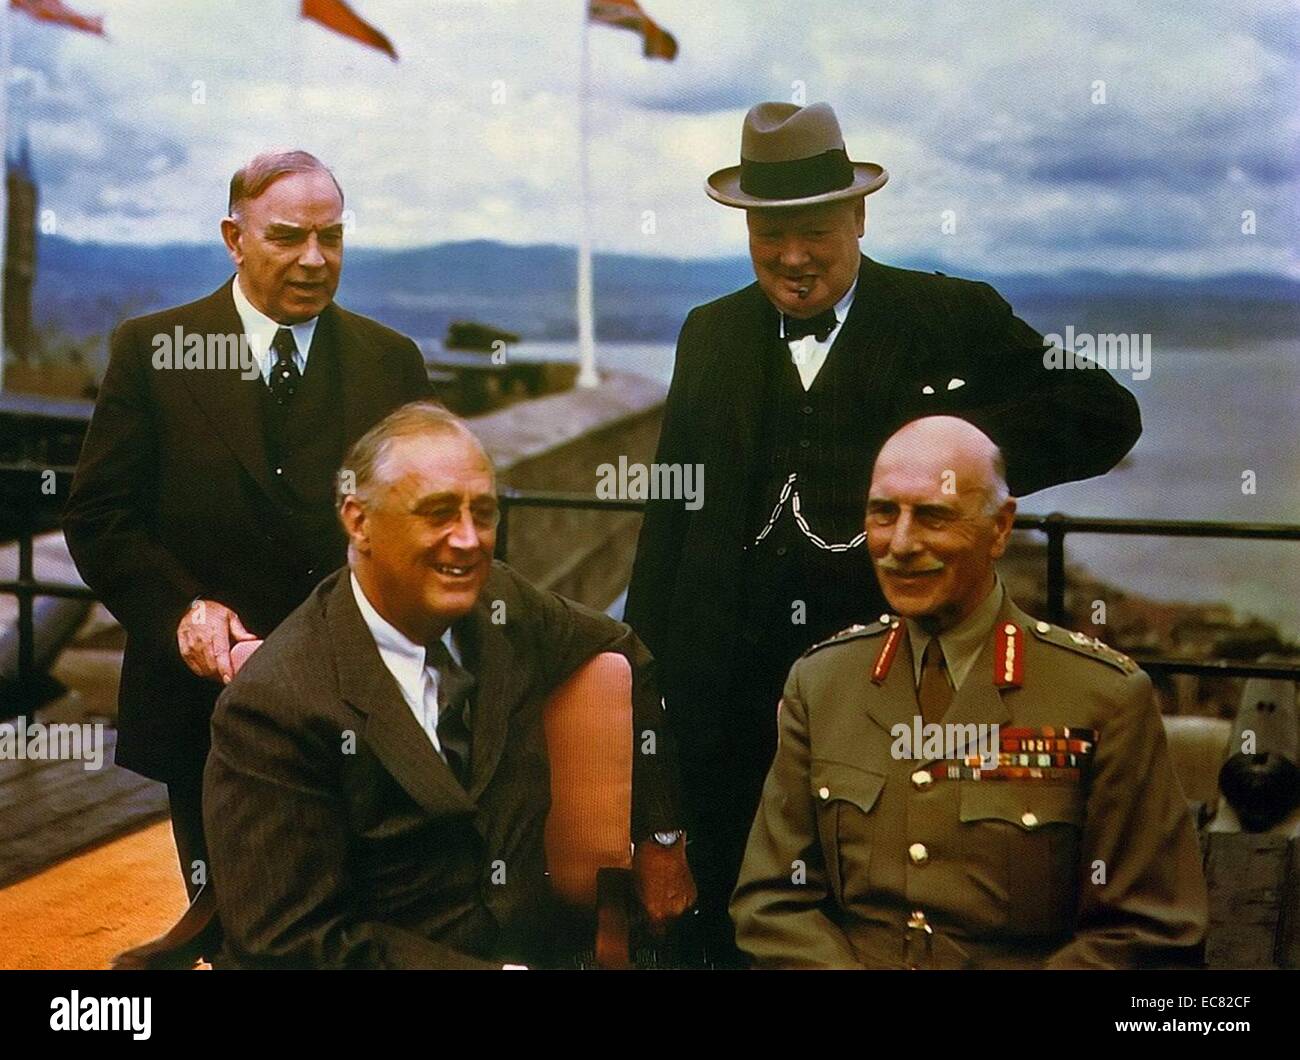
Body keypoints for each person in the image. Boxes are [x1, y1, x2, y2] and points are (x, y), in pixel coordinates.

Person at [623, 100, 1144, 962]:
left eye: (817, 232)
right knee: (724, 938)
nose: (793, 258)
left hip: (889, 703)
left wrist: (954, 458)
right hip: (725, 723)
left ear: (859, 217)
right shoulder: (707, 334)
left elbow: (1104, 414)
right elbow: (668, 530)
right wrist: (648, 736)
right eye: (770, 233)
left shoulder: (949, 315)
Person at [202, 403, 695, 968]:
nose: (468, 541)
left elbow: (626, 650)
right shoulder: (275, 706)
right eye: (437, 513)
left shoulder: (500, 607)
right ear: (358, 520)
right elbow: (285, 943)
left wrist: (662, 837)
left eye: (483, 514)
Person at [62, 150, 431, 899]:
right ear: (234, 238)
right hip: (203, 713)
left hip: (360, 715)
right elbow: (101, 517)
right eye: (288, 237)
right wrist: (182, 613)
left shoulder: (391, 363)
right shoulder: (152, 349)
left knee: (358, 922)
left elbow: (425, 524)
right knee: (229, 927)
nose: (314, 259)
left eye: (331, 237)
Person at [730, 416, 1207, 969]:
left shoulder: (1102, 697)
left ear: (1001, 528)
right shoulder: (822, 683)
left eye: (933, 516)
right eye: (884, 513)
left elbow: (1152, 930)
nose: (901, 545)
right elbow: (771, 901)